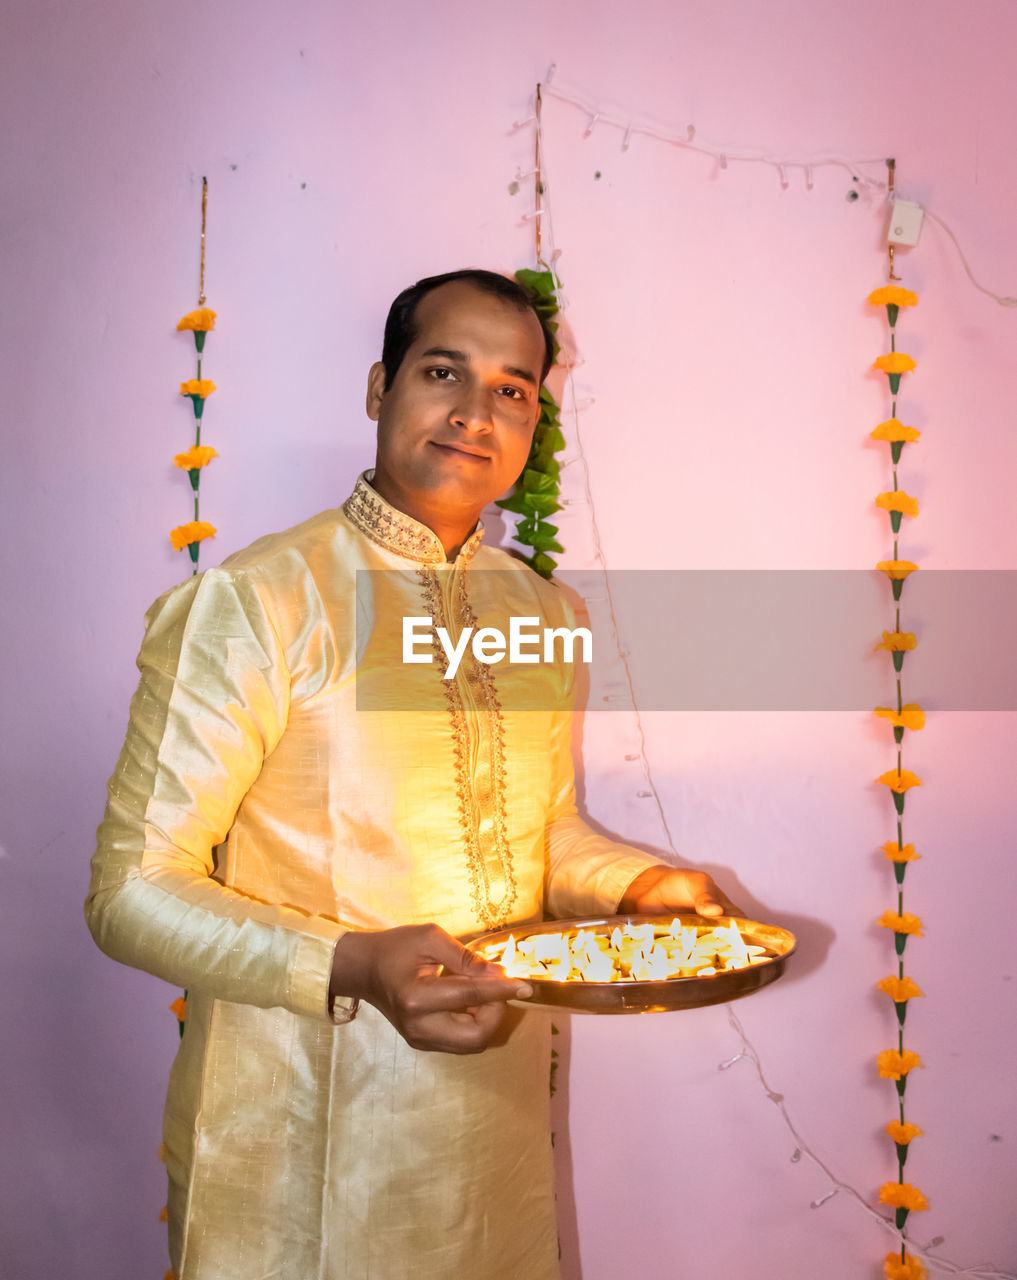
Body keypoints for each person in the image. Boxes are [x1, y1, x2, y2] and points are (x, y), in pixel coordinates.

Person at [86, 269, 735, 1280]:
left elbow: (542, 831)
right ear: (380, 385)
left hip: (489, 1121)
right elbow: (131, 888)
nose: (477, 414)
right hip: (301, 1127)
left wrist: (640, 885)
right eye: (445, 371)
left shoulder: (541, 612)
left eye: (514, 389)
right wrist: (354, 965)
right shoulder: (260, 603)